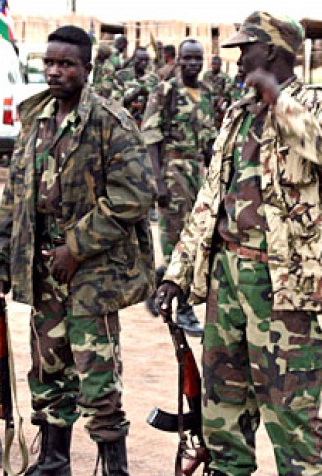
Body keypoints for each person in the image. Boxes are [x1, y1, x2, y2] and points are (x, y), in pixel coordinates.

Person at [155, 11, 322, 475]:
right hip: (226, 276)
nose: (239, 58)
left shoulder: (320, 102)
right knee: (222, 412)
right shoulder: (238, 113)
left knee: (293, 417)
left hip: (282, 282)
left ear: (273, 50)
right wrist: (177, 274)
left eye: (246, 48)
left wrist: (281, 102)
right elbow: (210, 199)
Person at [0, 25, 156, 475]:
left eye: (66, 64)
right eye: (50, 62)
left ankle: (114, 467)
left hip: (92, 273)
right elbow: (14, 195)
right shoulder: (36, 119)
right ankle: (53, 460)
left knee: (97, 376)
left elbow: (134, 195)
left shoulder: (110, 122)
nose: (55, 71)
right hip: (42, 268)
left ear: (87, 69)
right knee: (47, 368)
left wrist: (76, 247)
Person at [142, 38, 217, 336]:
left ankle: (158, 284)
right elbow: (151, 137)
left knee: (197, 239)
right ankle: (183, 309)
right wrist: (157, 181)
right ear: (178, 60)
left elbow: (209, 141)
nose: (192, 64)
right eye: (187, 58)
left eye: (197, 58)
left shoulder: (206, 94)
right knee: (176, 241)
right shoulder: (166, 91)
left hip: (198, 174)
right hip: (172, 174)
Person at [112, 47, 159, 126]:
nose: (143, 63)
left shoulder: (153, 78)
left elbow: (157, 102)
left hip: (146, 121)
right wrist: (136, 93)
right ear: (134, 59)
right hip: (125, 120)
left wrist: (148, 94)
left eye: (146, 60)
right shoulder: (121, 75)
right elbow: (116, 101)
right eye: (140, 60)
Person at [203, 55, 233, 129]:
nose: (214, 66)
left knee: (218, 120)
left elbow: (227, 92)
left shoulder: (225, 77)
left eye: (216, 64)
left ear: (220, 65)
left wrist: (221, 101)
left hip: (220, 101)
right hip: (208, 100)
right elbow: (203, 88)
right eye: (212, 64)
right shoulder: (207, 74)